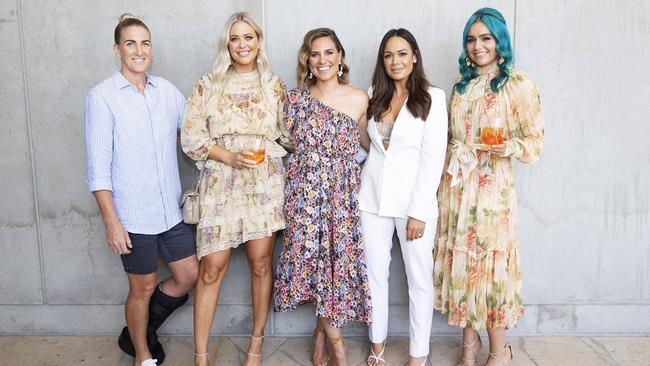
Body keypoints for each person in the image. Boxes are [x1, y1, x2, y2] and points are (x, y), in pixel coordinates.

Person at [85, 13, 199, 366]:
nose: (139, 50)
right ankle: (142, 354)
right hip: (132, 216)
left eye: (145, 43)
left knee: (188, 276)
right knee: (143, 287)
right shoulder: (102, 97)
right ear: (117, 49)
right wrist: (112, 222)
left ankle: (136, 331)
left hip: (170, 212)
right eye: (130, 43)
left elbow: (195, 135)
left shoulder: (167, 91)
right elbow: (98, 169)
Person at [433, 7, 544, 366]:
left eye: (485, 38)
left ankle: (500, 349)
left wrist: (506, 146)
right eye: (471, 39)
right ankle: (470, 345)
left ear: (499, 41)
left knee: (491, 266)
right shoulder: (460, 86)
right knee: (463, 265)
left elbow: (534, 143)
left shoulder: (517, 83)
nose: (478, 46)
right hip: (458, 188)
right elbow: (451, 138)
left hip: (493, 190)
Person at [180, 11, 289, 366]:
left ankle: (256, 344)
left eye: (249, 37)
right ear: (226, 43)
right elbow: (191, 136)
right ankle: (201, 356)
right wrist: (227, 155)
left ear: (259, 42)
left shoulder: (273, 84)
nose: (242, 45)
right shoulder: (208, 84)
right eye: (235, 38)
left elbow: (287, 135)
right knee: (212, 267)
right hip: (220, 183)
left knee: (261, 264)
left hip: (262, 183)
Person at [273, 28, 372, 366]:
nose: (322, 60)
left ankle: (322, 337)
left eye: (329, 52)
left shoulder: (360, 98)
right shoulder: (294, 100)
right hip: (303, 198)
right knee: (313, 267)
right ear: (308, 60)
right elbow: (278, 145)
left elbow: (371, 148)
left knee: (332, 270)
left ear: (340, 57)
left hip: (342, 199)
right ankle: (338, 344)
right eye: (315, 54)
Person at [359, 28, 447, 366]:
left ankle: (417, 355)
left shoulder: (433, 98)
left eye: (401, 53)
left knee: (419, 280)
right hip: (373, 200)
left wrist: (420, 211)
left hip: (414, 204)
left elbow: (433, 158)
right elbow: (368, 150)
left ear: (414, 56)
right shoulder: (372, 95)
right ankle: (377, 348)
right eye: (388, 55)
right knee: (374, 277)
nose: (395, 61)